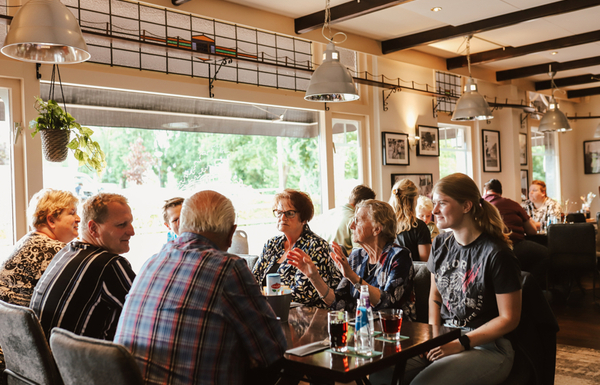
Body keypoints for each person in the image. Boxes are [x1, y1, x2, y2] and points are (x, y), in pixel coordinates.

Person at [114, 191, 287, 385]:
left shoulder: (152, 261)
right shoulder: (228, 267)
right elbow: (272, 348)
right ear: (231, 233)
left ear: (183, 224)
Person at [404, 173, 522, 385]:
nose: (435, 210)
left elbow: (509, 318)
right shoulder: (440, 244)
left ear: (466, 206)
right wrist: (433, 337)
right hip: (445, 336)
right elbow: (435, 296)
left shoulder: (496, 253)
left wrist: (460, 343)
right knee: (382, 373)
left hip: (488, 346)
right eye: (434, 203)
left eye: (442, 203)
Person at [30, 193, 136, 341]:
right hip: (80, 362)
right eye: (121, 225)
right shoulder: (109, 265)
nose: (132, 231)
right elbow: (148, 315)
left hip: (46, 360)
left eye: (130, 223)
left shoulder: (65, 253)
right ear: (93, 228)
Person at [287, 199, 415, 319]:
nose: (351, 225)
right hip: (362, 329)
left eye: (357, 220)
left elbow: (388, 304)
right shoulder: (357, 256)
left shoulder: (399, 256)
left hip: (395, 331)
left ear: (376, 229)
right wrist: (313, 276)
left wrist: (351, 276)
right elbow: (338, 303)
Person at [0, 189, 79, 379]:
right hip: (19, 356)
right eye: (72, 212)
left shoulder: (26, 242)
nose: (78, 219)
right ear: (51, 220)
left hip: (11, 355)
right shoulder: (56, 251)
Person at [253, 189, 341, 308]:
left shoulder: (316, 246)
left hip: (307, 317)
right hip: (270, 310)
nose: (282, 218)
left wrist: (265, 296)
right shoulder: (272, 244)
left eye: (290, 213)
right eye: (279, 212)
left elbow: (304, 295)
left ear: (304, 219)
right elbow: (253, 280)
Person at [483, 179, 549, 287]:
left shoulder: (478, 206)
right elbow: (532, 231)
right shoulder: (512, 204)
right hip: (515, 245)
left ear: (485, 191)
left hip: (488, 249)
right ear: (500, 192)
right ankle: (528, 285)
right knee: (546, 254)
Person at [317, 184, 376, 256]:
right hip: (343, 264)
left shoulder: (326, 214)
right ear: (364, 203)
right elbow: (360, 254)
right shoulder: (355, 221)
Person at [389, 179, 432, 262]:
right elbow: (425, 263)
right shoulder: (419, 226)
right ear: (414, 200)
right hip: (414, 274)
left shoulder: (385, 224)